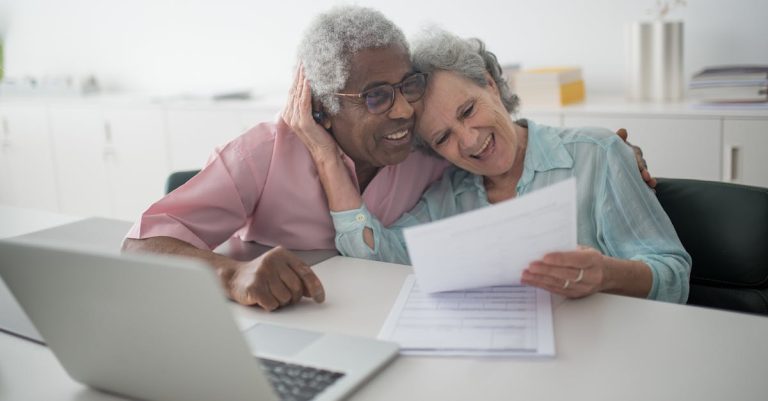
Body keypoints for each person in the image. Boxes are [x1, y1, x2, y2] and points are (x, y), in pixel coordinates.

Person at [124, 6, 655, 311]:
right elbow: (139, 246)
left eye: (408, 86)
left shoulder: (429, 153)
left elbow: (505, 147)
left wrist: (615, 152)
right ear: (324, 109)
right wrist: (231, 275)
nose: (403, 110)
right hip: (272, 330)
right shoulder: (264, 153)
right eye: (377, 96)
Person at [285, 29, 691, 303]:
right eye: (443, 138)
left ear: (490, 85)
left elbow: (674, 275)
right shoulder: (448, 196)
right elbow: (373, 259)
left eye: (467, 110)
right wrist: (326, 157)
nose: (470, 140)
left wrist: (606, 274)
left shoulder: (597, 154)